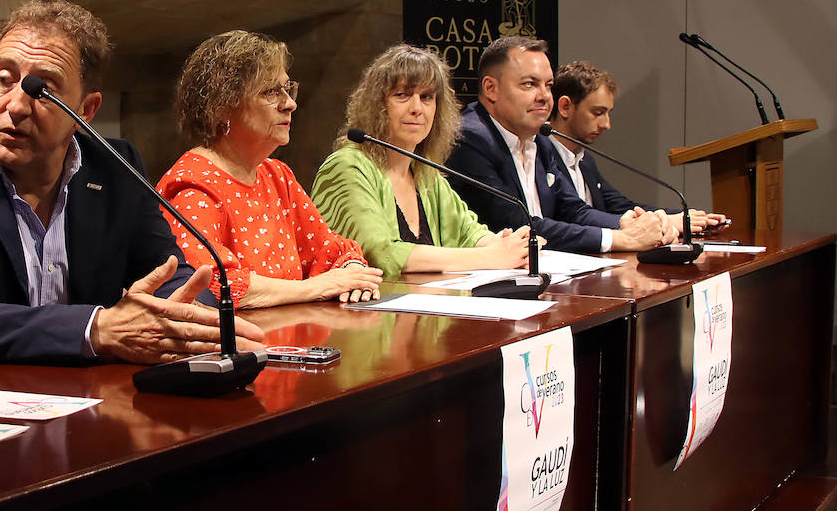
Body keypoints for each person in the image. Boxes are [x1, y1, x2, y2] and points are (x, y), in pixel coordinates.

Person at [0, 1, 263, 365]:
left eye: (42, 90)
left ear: (86, 110)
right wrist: (94, 329)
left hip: (82, 402)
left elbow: (168, 273)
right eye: (4, 80)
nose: (15, 105)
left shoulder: (116, 167)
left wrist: (187, 319)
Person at [155, 30, 385, 308]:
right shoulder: (192, 185)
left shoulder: (277, 175)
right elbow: (212, 283)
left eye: (288, 89)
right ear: (222, 106)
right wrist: (318, 286)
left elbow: (328, 250)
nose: (290, 104)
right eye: (271, 92)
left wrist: (351, 272)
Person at [312, 44, 530, 278]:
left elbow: (468, 232)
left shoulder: (424, 172)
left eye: (426, 97)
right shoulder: (347, 166)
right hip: (362, 311)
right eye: (402, 95)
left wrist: (507, 245)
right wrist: (490, 257)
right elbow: (379, 253)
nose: (417, 108)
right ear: (377, 105)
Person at [444, 36, 669, 254]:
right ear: (491, 89)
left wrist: (626, 223)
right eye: (530, 84)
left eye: (548, 85)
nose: (544, 96)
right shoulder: (470, 138)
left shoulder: (540, 137)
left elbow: (571, 208)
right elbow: (517, 225)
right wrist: (618, 238)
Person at [549, 61, 727, 234]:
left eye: (608, 113)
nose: (606, 124)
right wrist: (659, 222)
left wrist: (682, 217)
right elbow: (575, 214)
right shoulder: (542, 156)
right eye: (597, 113)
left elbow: (620, 205)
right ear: (565, 107)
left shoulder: (585, 159)